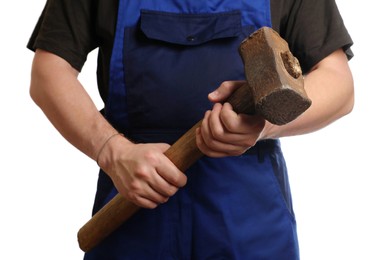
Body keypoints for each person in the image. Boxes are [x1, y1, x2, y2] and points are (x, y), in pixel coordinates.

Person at [28, 0, 354, 259]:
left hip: (249, 220)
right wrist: (111, 151)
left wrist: (262, 125)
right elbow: (49, 71)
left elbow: (338, 83)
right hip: (132, 205)